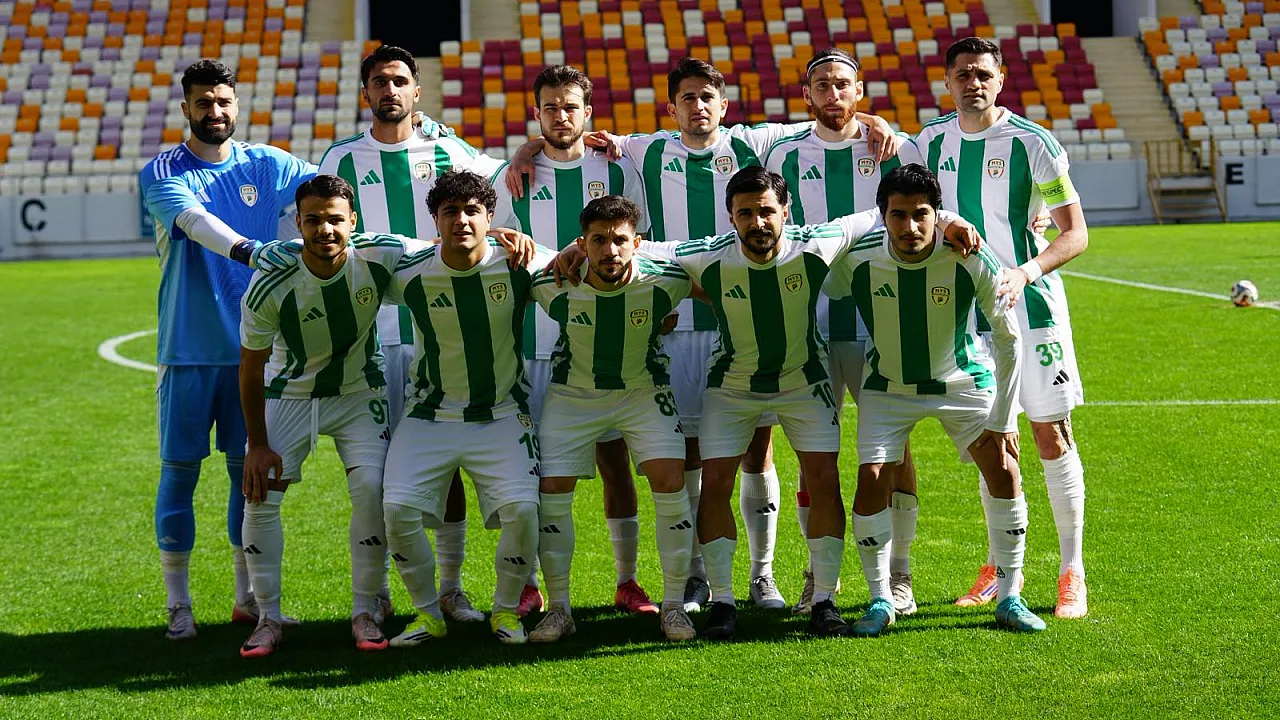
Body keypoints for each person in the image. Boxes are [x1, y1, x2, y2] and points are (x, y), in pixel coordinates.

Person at [533, 57, 900, 612]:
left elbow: (829, 114)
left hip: (748, 319)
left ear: (724, 105)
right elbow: (569, 138)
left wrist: (873, 119)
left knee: (758, 451)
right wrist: (527, 156)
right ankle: (699, 577)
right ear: (671, 107)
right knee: (692, 454)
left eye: (708, 97)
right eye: (688, 97)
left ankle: (762, 575)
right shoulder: (644, 149)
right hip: (676, 318)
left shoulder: (755, 142)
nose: (698, 106)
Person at [555, 166, 980, 640]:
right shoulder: (709, 254)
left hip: (804, 382)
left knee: (824, 479)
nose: (757, 222)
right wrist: (577, 247)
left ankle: (823, 599)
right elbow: (640, 247)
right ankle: (723, 601)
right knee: (715, 484)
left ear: (786, 212)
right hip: (732, 387)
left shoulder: (815, 244)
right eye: (745, 213)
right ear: (731, 217)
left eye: (766, 212)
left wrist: (948, 220)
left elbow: (874, 215)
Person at [316, 45, 507, 623]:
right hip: (370, 341)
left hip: (437, 334)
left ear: (417, 92)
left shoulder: (450, 151)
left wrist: (524, 150)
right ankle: (375, 593)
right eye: (380, 81)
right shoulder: (341, 157)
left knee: (446, 465)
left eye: (400, 81)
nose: (390, 90)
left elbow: (500, 189)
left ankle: (450, 588)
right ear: (365, 93)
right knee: (373, 475)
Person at [822, 163, 1044, 635]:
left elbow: (1009, 340)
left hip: (963, 382)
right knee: (872, 479)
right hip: (888, 387)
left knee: (1004, 467)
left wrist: (1004, 420)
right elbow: (815, 285)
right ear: (882, 216)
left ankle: (1010, 596)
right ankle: (881, 599)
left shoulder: (969, 255)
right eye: (898, 215)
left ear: (936, 215)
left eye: (921, 214)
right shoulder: (856, 258)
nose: (910, 226)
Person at [914, 37, 1091, 619]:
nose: (974, 83)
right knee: (994, 443)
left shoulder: (1033, 142)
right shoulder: (928, 142)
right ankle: (998, 567)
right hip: (966, 316)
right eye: (963, 74)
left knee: (1050, 435)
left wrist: (1025, 270)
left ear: (1000, 79)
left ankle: (1071, 570)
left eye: (983, 74)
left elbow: (1075, 233)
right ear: (947, 81)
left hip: (1033, 309)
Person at [139, 58, 316, 640]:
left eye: (222, 101)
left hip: (253, 351)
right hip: (188, 349)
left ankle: (248, 598)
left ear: (236, 105)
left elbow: (331, 183)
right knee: (180, 473)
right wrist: (253, 251)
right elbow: (195, 222)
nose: (214, 111)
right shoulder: (164, 170)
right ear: (185, 109)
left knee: (250, 477)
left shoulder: (267, 163)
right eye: (203, 103)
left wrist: (427, 130)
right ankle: (179, 604)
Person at [491, 65, 663, 617]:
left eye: (570, 107)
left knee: (615, 462)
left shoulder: (616, 166)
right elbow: (495, 243)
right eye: (550, 107)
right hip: (531, 343)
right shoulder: (513, 174)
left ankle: (627, 580)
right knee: (532, 469)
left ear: (588, 112)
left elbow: (640, 240)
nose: (561, 116)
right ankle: (529, 583)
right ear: (536, 113)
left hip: (605, 340)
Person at [764, 48, 927, 617]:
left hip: (881, 320)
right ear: (806, 95)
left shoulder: (896, 148)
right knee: (815, 453)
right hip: (809, 323)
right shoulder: (782, 151)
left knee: (895, 448)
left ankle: (900, 574)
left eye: (843, 84)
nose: (833, 94)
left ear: (860, 90)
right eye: (822, 86)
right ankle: (817, 575)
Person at [237, 175, 421, 657]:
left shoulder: (379, 256)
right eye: (313, 220)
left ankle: (365, 610)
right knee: (260, 495)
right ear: (297, 223)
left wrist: (506, 238)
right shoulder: (270, 282)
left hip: (359, 393)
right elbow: (250, 368)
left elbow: (446, 251)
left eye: (335, 219)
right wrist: (257, 444)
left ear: (353, 221)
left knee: (371, 491)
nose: (325, 229)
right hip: (291, 394)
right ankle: (268, 617)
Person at [380, 170, 554, 646]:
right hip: (429, 415)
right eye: (450, 212)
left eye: (472, 211)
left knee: (523, 510)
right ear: (435, 220)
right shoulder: (409, 270)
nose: (461, 220)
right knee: (396, 510)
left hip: (501, 413)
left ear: (490, 217)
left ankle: (505, 612)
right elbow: (354, 257)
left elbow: (574, 264)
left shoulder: (519, 262)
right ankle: (426, 614)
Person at [526, 195, 697, 642]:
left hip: (643, 392)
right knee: (552, 491)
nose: (610, 250)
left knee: (670, 482)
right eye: (598, 240)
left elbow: (722, 272)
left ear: (637, 243)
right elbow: (493, 257)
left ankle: (674, 607)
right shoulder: (552, 280)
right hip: (572, 394)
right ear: (582, 243)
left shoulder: (666, 279)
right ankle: (559, 609)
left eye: (620, 240)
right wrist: (508, 235)